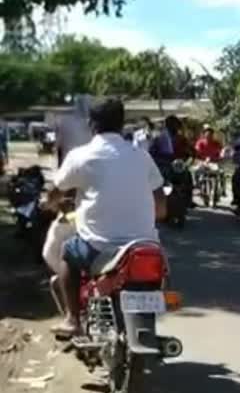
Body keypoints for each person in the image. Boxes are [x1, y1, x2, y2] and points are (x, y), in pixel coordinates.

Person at [45, 99, 167, 338]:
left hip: (99, 247)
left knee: (68, 251)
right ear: (122, 125)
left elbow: (56, 191)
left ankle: (72, 320)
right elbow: (161, 208)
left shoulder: (81, 156)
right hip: (145, 245)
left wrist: (49, 203)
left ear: (91, 124)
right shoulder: (142, 156)